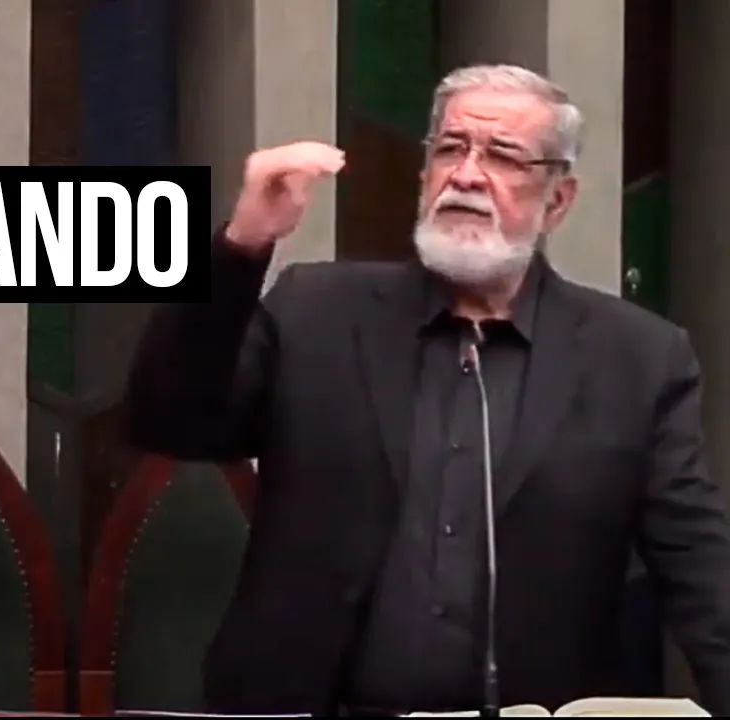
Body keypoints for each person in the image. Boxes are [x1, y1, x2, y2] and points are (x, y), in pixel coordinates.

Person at [125, 64, 730, 716]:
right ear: (424, 175)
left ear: (558, 200)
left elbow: (699, 564)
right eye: (450, 148)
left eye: (502, 156)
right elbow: (170, 421)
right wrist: (242, 246)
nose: (466, 175)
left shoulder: (638, 359)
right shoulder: (316, 311)